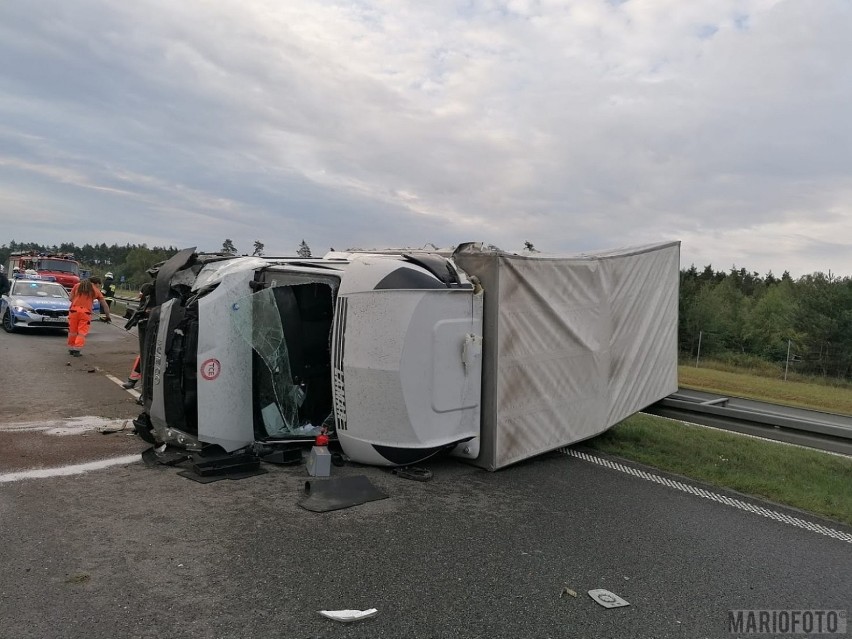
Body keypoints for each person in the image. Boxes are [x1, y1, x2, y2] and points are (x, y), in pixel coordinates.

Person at [67, 276, 111, 357]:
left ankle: (71, 348)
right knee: (82, 332)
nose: (99, 286)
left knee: (72, 331)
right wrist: (107, 316)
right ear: (96, 283)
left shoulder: (77, 286)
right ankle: (77, 350)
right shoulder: (96, 290)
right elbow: (105, 305)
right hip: (85, 312)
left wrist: (78, 302)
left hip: (73, 311)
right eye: (99, 284)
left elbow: (70, 298)